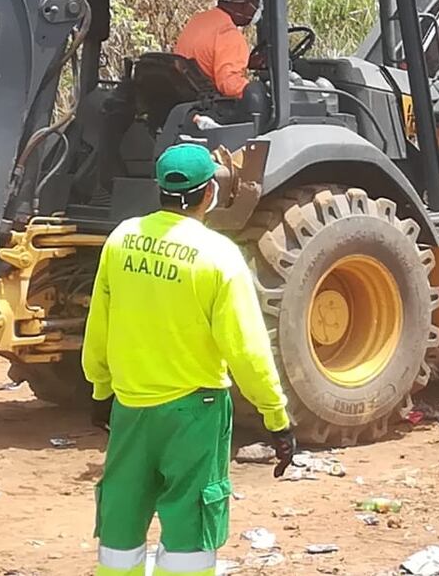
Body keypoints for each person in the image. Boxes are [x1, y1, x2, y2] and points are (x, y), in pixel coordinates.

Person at [82, 143, 294, 576]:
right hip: (195, 414)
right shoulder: (219, 256)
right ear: (209, 194)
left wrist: (101, 390)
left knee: (121, 519)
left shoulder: (121, 240)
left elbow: (98, 326)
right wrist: (276, 416)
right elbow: (247, 349)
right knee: (189, 534)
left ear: (159, 189)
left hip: (131, 407)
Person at [174, 0, 261, 98]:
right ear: (245, 6)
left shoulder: (198, 20)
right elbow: (229, 85)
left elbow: (204, 60)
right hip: (206, 104)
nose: (256, 12)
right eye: (255, 6)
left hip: (183, 94)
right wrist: (258, 93)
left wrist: (247, 63)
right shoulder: (229, 34)